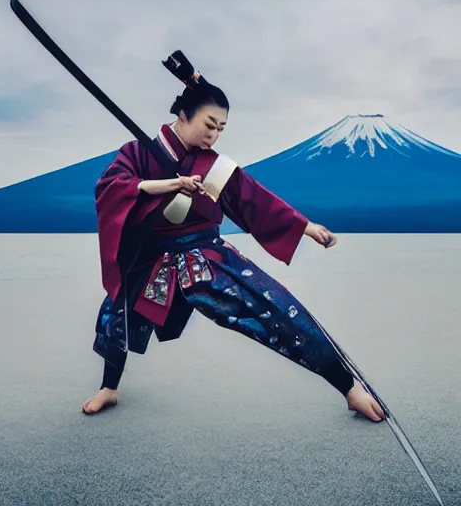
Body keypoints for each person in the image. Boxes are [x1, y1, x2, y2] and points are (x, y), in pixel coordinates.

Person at [82, 50, 385, 423]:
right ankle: (109, 388)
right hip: (151, 256)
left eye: (221, 128)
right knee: (118, 314)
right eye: (209, 124)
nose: (214, 134)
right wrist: (169, 184)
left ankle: (348, 387)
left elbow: (255, 200)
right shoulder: (136, 153)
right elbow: (112, 187)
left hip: (204, 255)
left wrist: (304, 226)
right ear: (182, 114)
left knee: (273, 308)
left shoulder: (216, 167)